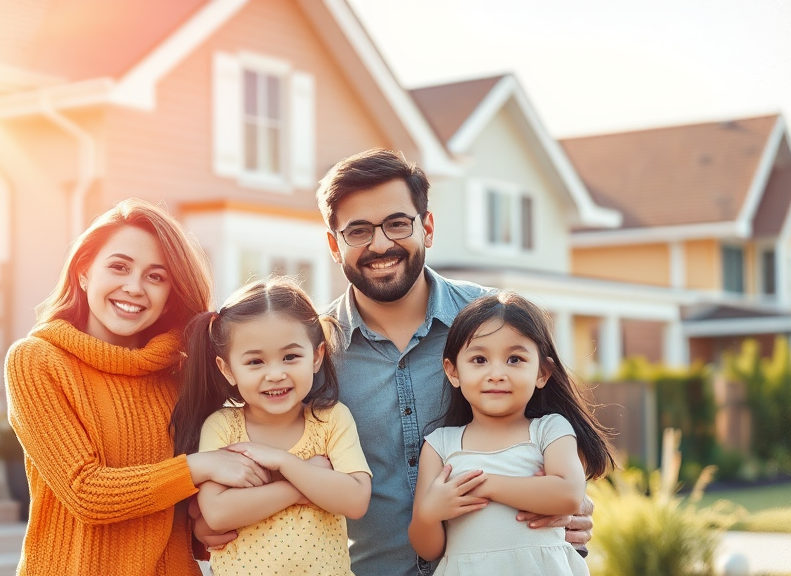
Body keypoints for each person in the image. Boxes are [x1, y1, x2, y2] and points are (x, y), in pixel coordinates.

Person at [194, 149, 595, 576]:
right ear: (334, 244)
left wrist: (575, 504)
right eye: (359, 231)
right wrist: (201, 519)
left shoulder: (494, 325)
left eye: (397, 224)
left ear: (427, 227)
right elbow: (255, 436)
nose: (381, 244)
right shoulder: (310, 351)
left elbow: (553, 432)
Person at [4, 198, 271, 576]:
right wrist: (198, 466)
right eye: (119, 267)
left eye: (155, 276)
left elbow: (186, 510)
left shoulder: (184, 374)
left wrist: (204, 526)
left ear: (169, 294)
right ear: (83, 272)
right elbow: (86, 493)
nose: (134, 287)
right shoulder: (37, 361)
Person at [172, 276, 372, 576]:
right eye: (255, 362)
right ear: (227, 369)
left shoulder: (330, 420)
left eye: (290, 357)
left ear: (317, 357)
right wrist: (298, 486)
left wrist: (282, 461)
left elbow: (356, 500)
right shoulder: (224, 427)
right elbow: (216, 513)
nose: (276, 374)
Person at [408, 292, 615, 575]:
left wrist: (485, 485)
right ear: (453, 371)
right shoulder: (440, 445)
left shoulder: (551, 430)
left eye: (515, 359)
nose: (496, 373)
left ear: (542, 372)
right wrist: (429, 514)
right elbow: (428, 549)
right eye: (479, 360)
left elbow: (567, 494)